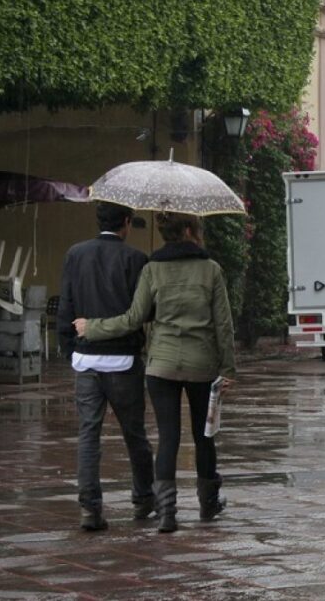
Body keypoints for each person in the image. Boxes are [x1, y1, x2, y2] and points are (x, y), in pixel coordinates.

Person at [74, 212, 236, 533]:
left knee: (168, 437)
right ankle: (208, 503)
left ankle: (167, 514)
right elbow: (224, 326)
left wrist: (91, 327)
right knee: (204, 437)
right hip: (202, 365)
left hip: (160, 366)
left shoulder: (152, 269)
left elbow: (134, 318)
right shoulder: (211, 270)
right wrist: (227, 368)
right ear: (190, 230)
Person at [57, 201, 154, 532]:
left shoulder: (75, 254)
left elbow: (65, 305)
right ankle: (143, 499)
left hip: (86, 359)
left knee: (89, 434)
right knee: (134, 433)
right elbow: (146, 312)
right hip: (124, 360)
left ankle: (90, 508)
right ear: (126, 222)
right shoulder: (136, 259)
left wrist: (69, 349)